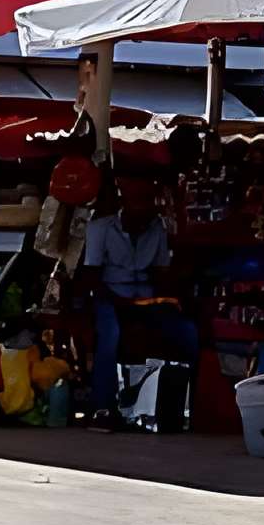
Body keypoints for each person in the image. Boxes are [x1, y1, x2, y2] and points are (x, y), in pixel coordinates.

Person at [80, 179, 196, 428]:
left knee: (186, 332)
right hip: (110, 295)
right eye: (138, 205)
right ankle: (103, 407)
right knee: (110, 336)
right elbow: (92, 276)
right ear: (125, 205)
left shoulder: (157, 229)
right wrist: (117, 301)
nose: (143, 213)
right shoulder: (100, 228)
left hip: (145, 298)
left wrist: (171, 297)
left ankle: (188, 407)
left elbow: (161, 272)